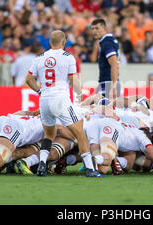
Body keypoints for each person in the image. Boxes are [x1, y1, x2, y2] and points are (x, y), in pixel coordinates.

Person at [25, 30, 102, 177]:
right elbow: (73, 80)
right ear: (64, 42)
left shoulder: (39, 58)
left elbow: (28, 79)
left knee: (49, 135)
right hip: (60, 99)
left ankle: (41, 165)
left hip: (45, 100)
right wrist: (80, 94)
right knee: (80, 133)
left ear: (49, 43)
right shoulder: (68, 57)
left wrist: (40, 91)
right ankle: (90, 170)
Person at [91, 18, 120, 99]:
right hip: (105, 83)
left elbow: (114, 65)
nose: (94, 31)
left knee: (102, 110)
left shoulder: (107, 43)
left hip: (108, 84)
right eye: (92, 29)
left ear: (105, 28)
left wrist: (113, 87)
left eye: (97, 28)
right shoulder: (106, 41)